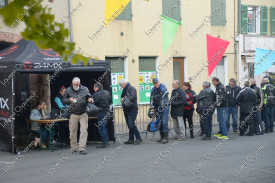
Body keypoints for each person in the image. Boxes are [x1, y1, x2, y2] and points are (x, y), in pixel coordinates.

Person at [62, 77, 93, 155]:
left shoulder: (85, 89)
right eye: (74, 84)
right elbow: (63, 101)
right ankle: (73, 147)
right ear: (72, 83)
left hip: (83, 113)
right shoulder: (68, 90)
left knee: (83, 131)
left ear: (79, 83)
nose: (75, 85)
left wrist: (91, 99)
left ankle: (82, 148)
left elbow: (90, 96)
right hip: (73, 113)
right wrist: (69, 99)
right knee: (72, 131)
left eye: (77, 84)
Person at [120, 79, 142, 145]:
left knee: (131, 124)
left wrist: (124, 99)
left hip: (132, 109)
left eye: (121, 85)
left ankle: (139, 138)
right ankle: (131, 139)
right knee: (129, 125)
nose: (121, 86)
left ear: (124, 84)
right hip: (126, 109)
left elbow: (133, 96)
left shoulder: (131, 88)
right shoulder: (125, 89)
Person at [92, 82, 112, 148]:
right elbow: (110, 101)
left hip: (101, 112)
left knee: (101, 128)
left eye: (94, 87)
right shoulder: (107, 92)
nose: (93, 88)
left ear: (97, 88)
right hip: (107, 112)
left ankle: (104, 143)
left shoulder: (95, 95)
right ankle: (107, 141)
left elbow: (94, 104)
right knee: (104, 127)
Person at [150, 78, 170, 144]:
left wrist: (155, 97)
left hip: (164, 107)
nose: (156, 84)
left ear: (159, 82)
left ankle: (165, 138)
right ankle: (162, 137)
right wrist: (152, 107)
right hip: (157, 108)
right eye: (155, 83)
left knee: (164, 122)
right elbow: (151, 99)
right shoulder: (153, 89)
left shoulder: (163, 87)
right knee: (159, 122)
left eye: (157, 82)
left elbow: (161, 96)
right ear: (153, 84)